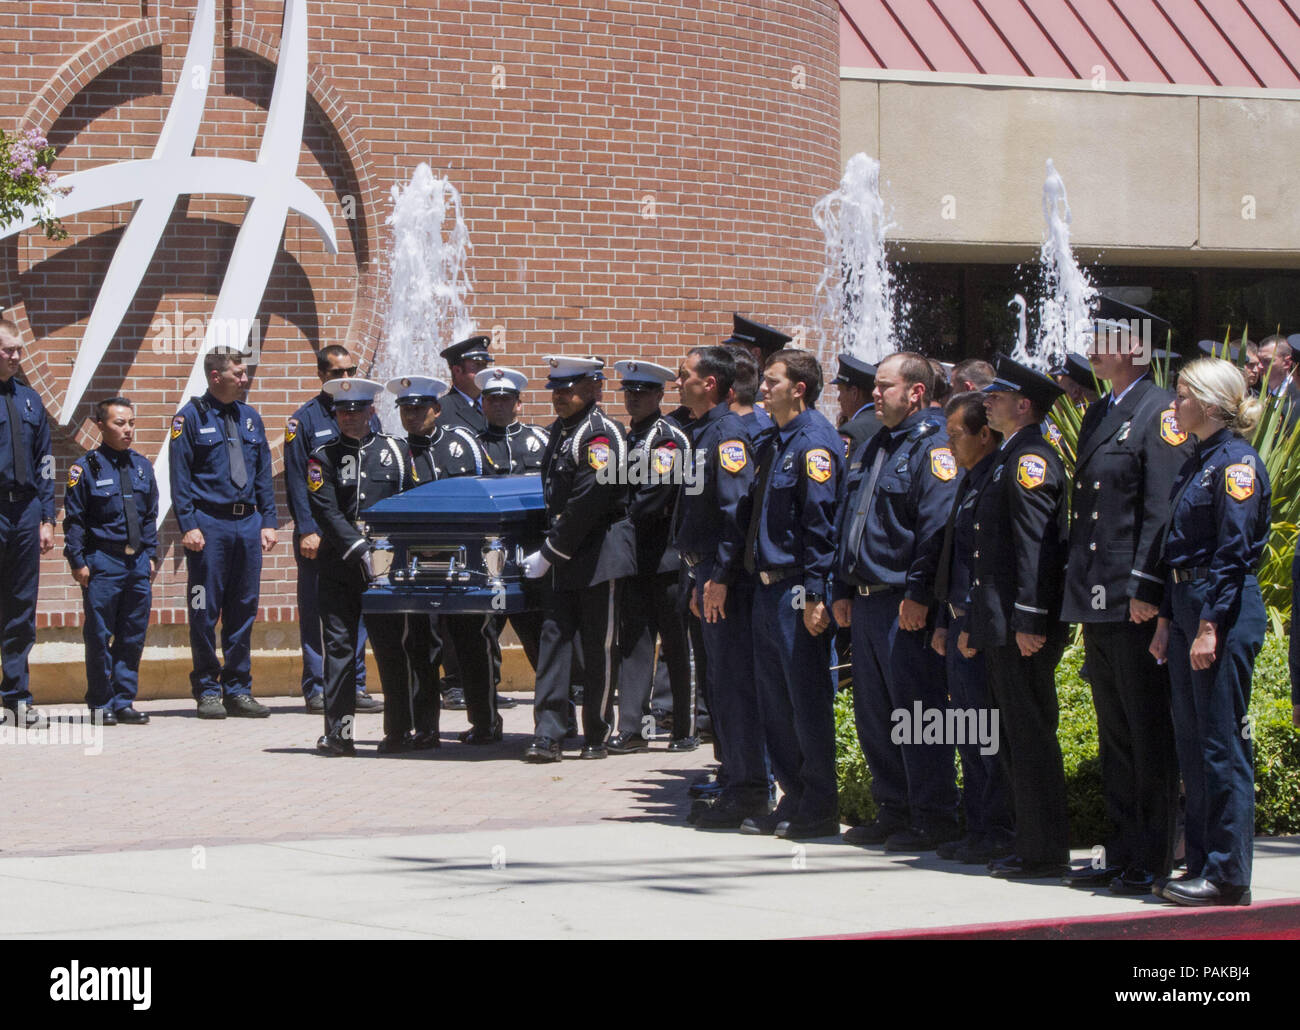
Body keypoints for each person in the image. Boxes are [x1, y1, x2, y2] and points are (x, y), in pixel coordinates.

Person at [1060, 305, 1188, 895]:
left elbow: (1160, 508)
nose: (1093, 346)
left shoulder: (1159, 411)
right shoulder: (1102, 411)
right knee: (1115, 733)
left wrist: (1146, 586)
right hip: (1097, 594)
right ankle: (1123, 847)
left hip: (1130, 599)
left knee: (1145, 731)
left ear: (1132, 347)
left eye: (1104, 338)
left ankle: (1154, 854)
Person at [1150, 358, 1270, 907]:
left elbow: (1232, 551)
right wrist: (1168, 620)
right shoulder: (1199, 460)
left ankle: (1227, 875)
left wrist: (1207, 626)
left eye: (1182, 396)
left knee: (1222, 745)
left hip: (1218, 608)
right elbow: (1177, 548)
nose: (1174, 405)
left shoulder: (1236, 464)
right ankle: (1199, 862)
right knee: (1192, 745)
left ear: (1210, 402)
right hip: (1187, 604)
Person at [831, 351, 960, 851]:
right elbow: (850, 520)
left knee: (917, 713)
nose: (875, 393)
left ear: (916, 393)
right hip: (865, 601)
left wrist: (920, 594)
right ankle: (895, 809)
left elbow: (935, 530)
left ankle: (933, 815)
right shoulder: (873, 444)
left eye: (885, 386)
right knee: (875, 712)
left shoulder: (933, 448)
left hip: (903, 603)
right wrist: (841, 588)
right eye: (876, 386)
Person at [963, 353, 1070, 879]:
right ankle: (1031, 841)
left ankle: (1046, 848)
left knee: (1029, 737)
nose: (989, 402)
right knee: (1011, 736)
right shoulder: (1010, 454)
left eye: (998, 397)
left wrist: (1031, 619)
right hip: (1002, 620)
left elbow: (1037, 546)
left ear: (1023, 405)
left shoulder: (1032, 458)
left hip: (1021, 624)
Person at [738, 349, 842, 839]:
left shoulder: (814, 443)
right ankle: (793, 797)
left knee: (806, 700)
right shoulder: (773, 441)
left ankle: (819, 807)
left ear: (798, 388)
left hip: (797, 589)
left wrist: (818, 592)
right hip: (766, 590)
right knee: (775, 703)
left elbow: (820, 527)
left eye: (772, 381)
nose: (763, 388)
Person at [520, 356, 635, 762]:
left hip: (598, 553)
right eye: (555, 389)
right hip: (564, 552)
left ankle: (596, 732)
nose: (559, 396)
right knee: (553, 638)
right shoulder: (562, 431)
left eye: (567, 389)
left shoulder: (603, 436)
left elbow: (591, 499)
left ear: (594, 389)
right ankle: (549, 732)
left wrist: (549, 552)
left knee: (598, 645)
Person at [674, 345, 769, 826]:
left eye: (684, 374)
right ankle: (734, 779)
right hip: (705, 571)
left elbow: (736, 516)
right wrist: (699, 576)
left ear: (709, 382)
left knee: (734, 687)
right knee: (719, 686)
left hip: (723, 578)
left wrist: (720, 577)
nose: (678, 382)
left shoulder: (728, 436)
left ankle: (748, 792)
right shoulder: (705, 432)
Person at [307, 377, 423, 755]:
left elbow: (408, 501)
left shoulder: (395, 450)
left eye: (357, 411)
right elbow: (324, 509)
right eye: (342, 412)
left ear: (371, 410)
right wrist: (359, 548)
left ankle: (399, 731)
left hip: (385, 567)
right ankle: (339, 734)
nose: (350, 418)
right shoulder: (322, 455)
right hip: (340, 565)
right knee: (339, 650)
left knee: (392, 647)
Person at [169, 348, 277, 719]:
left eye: (244, 373)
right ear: (216, 376)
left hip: (247, 525)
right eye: (239, 373)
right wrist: (189, 525)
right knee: (203, 609)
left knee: (243, 609)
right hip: (209, 525)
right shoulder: (190, 418)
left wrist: (268, 521)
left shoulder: (250, 418)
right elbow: (179, 478)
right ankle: (207, 689)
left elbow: (263, 475)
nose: (245, 379)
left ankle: (238, 688)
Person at [392, 375, 499, 745]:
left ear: (436, 409)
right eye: (406, 409)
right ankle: (425, 728)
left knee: (472, 640)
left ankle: (485, 721)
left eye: (420, 408)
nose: (412, 416)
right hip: (417, 564)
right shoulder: (396, 451)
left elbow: (481, 493)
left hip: (462, 559)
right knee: (420, 644)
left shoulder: (462, 443)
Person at [931, 391, 1013, 865]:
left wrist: (972, 625)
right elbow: (955, 560)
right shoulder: (969, 480)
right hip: (959, 620)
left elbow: (990, 567)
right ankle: (978, 825)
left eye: (956, 435)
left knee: (986, 733)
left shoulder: (994, 479)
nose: (950, 445)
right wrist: (947, 619)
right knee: (968, 729)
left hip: (978, 628)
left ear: (985, 435)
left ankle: (997, 828)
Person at [284, 345, 381, 714]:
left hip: (358, 535)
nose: (345, 378)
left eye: (351, 370)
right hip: (320, 536)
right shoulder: (304, 421)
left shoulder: (367, 414)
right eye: (337, 372)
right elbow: (296, 479)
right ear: (321, 376)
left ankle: (353, 684)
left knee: (358, 609)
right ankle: (317, 686)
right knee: (315, 610)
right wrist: (307, 528)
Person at [608, 359, 696, 755]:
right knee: (635, 643)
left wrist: (613, 515)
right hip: (635, 557)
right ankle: (634, 728)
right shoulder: (631, 437)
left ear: (660, 395)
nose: (634, 398)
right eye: (629, 391)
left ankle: (684, 728)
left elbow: (653, 496)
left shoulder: (666, 439)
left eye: (642, 392)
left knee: (677, 645)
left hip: (667, 558)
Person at [63, 397, 158, 725]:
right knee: (100, 636)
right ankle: (101, 703)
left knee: (133, 634)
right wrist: (77, 561)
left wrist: (152, 554)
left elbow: (150, 517)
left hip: (136, 564)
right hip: (102, 561)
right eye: (120, 423)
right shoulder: (85, 468)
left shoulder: (143, 467)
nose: (128, 429)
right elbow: (74, 520)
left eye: (131, 423)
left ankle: (123, 701)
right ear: (100, 426)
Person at [473, 365, 546, 711]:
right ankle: (485, 715)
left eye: (506, 399)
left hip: (531, 554)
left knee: (539, 635)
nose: (499, 405)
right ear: (483, 404)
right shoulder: (472, 447)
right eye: (492, 399)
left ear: (519, 403)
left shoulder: (540, 441)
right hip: (489, 559)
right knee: (484, 637)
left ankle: (555, 711)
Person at [0, 319, 54, 727]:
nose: (17, 356)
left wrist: (47, 517)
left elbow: (46, 464)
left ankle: (16, 696)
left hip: (25, 512)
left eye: (19, 350)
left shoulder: (32, 400)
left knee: (21, 607)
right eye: (9, 350)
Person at [436, 334, 493, 435]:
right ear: (457, 371)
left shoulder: (494, 404)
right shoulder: (440, 410)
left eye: (485, 365)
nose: (484, 371)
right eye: (478, 365)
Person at [832, 353, 879, 460]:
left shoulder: (850, 431)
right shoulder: (888, 422)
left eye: (841, 391)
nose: (839, 399)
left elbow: (842, 471)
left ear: (854, 393)